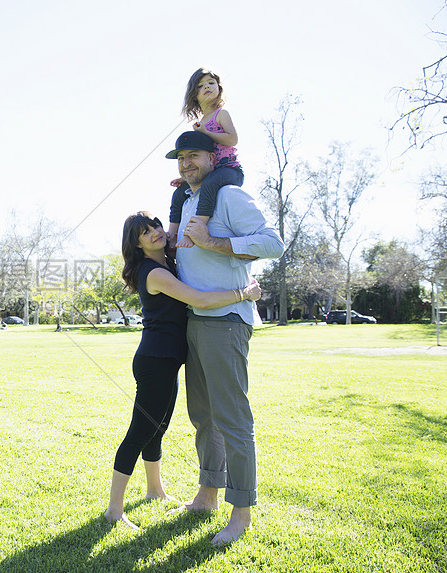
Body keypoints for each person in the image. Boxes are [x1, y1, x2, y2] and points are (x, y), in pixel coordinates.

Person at [104, 211, 262, 530]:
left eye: (156, 226)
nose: (155, 233)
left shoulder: (169, 262)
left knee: (157, 427)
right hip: (155, 362)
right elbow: (199, 300)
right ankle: (114, 510)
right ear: (135, 244)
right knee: (139, 432)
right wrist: (243, 294)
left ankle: (154, 490)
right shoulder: (153, 271)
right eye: (145, 233)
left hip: (167, 360)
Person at [167, 130, 283, 545]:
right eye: (180, 157)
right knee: (203, 416)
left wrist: (214, 243)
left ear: (214, 157)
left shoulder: (230, 196)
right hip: (194, 321)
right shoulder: (189, 201)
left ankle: (241, 514)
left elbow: (273, 243)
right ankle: (207, 494)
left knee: (233, 420)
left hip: (227, 320)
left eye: (194, 155)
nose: (186, 163)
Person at [167, 68, 243, 249]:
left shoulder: (221, 114)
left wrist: (206, 132)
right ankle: (171, 236)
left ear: (219, 88)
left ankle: (195, 230)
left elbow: (232, 139)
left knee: (209, 185)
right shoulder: (201, 121)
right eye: (201, 86)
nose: (207, 87)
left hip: (229, 170)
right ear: (194, 95)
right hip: (212, 172)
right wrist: (188, 174)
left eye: (211, 82)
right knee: (179, 193)